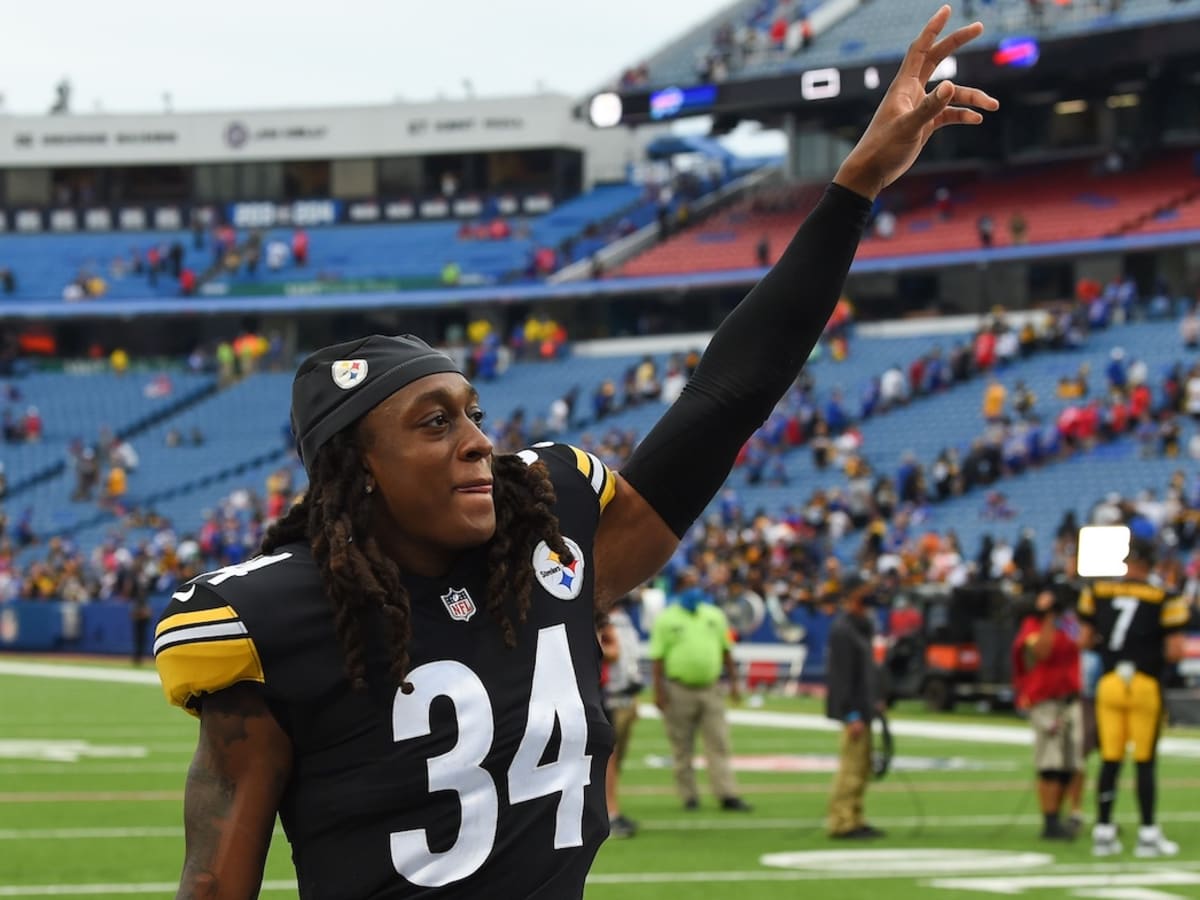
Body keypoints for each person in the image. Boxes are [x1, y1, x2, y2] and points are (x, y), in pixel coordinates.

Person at [151, 9, 997, 897]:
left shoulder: (545, 544)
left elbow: (728, 395)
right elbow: (215, 884)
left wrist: (853, 187)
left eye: (473, 413)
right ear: (355, 469)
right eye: (434, 423)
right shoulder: (272, 617)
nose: (479, 441)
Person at [1078, 537, 1189, 858]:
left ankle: (1103, 830)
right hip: (1143, 683)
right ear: (1150, 564)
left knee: (1110, 758)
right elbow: (1174, 649)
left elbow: (1084, 640)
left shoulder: (1097, 592)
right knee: (1144, 760)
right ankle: (1148, 833)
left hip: (1110, 681)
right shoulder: (1163, 596)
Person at [649, 570, 750, 812]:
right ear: (678, 588)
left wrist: (734, 683)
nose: (694, 590)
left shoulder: (714, 615)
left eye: (696, 584)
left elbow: (726, 650)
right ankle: (689, 796)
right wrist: (659, 692)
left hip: (711, 687)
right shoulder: (666, 619)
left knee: (719, 741)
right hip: (678, 688)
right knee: (681, 745)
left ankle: (726, 793)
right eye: (687, 584)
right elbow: (657, 658)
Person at [1011, 585, 1085, 840]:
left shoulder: (1069, 624)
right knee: (1050, 764)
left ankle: (1062, 815)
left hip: (1069, 698)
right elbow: (1041, 651)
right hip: (1045, 700)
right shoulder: (1033, 624)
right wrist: (1048, 618)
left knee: (1069, 764)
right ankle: (1049, 819)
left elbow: (1083, 644)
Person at [825, 574, 885, 839]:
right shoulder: (843, 630)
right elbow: (841, 676)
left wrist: (876, 699)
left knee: (862, 768)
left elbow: (868, 670)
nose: (870, 594)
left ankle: (856, 816)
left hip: (866, 706)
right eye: (865, 590)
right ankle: (841, 821)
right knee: (850, 767)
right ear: (852, 595)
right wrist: (851, 713)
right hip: (855, 711)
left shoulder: (863, 625)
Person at [600, 592, 644, 838]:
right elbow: (613, 652)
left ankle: (608, 809)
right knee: (606, 758)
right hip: (600, 693)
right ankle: (609, 812)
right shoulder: (601, 619)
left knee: (609, 757)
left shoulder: (614, 620)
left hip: (604, 693)